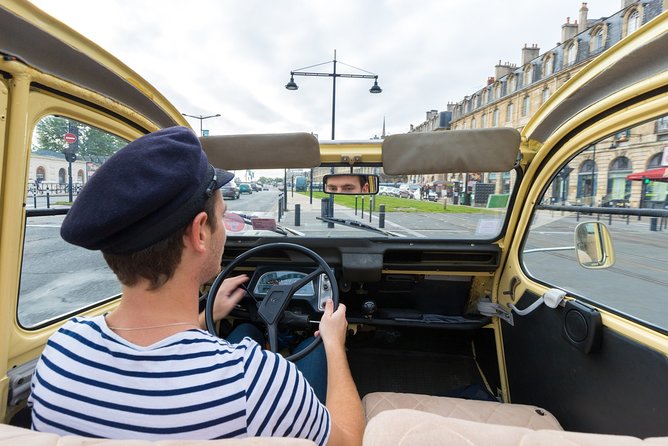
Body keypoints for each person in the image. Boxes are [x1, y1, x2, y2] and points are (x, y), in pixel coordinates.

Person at [28, 126, 364, 445]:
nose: (226, 229)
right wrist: (334, 342)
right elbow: (349, 440)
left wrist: (205, 318)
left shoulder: (61, 353)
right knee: (316, 351)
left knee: (245, 329)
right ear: (200, 232)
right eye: (224, 215)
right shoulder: (254, 381)